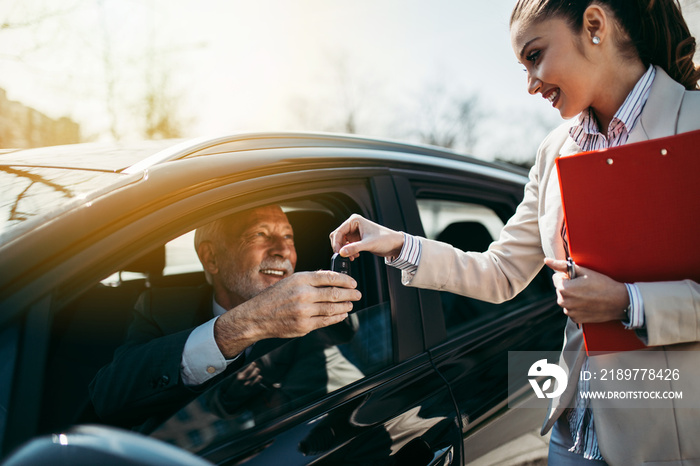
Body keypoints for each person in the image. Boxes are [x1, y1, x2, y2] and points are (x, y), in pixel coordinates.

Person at [329, 1, 700, 464]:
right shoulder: (552, 153)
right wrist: (398, 243)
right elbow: (500, 272)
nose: (529, 84)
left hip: (670, 438)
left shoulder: (694, 124)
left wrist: (628, 303)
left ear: (594, 25)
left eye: (535, 55)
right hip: (573, 429)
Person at [90, 205, 361, 431]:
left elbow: (347, 404)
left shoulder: (315, 313)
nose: (283, 251)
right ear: (211, 258)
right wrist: (243, 326)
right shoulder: (160, 308)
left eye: (289, 237)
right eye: (260, 234)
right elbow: (109, 400)